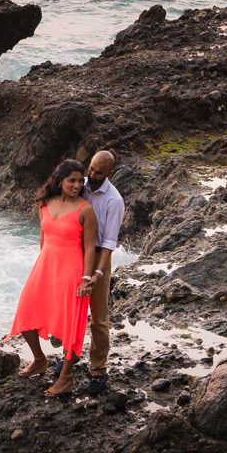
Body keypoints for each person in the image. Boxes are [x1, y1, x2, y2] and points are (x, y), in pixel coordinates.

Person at [7, 158, 98, 396]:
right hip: (45, 265)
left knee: (71, 324)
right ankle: (39, 360)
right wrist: (42, 264)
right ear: (60, 180)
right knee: (26, 313)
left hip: (72, 269)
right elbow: (43, 236)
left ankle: (67, 376)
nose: (77, 185)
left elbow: (89, 247)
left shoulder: (85, 209)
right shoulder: (44, 202)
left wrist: (86, 279)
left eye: (80, 181)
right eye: (72, 180)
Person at [79, 149, 123, 397]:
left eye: (98, 172)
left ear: (110, 173)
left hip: (98, 256)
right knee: (73, 312)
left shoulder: (114, 200)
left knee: (98, 316)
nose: (92, 175)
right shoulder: (80, 185)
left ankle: (98, 370)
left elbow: (109, 242)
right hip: (74, 254)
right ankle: (69, 357)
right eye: (91, 169)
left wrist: (97, 271)